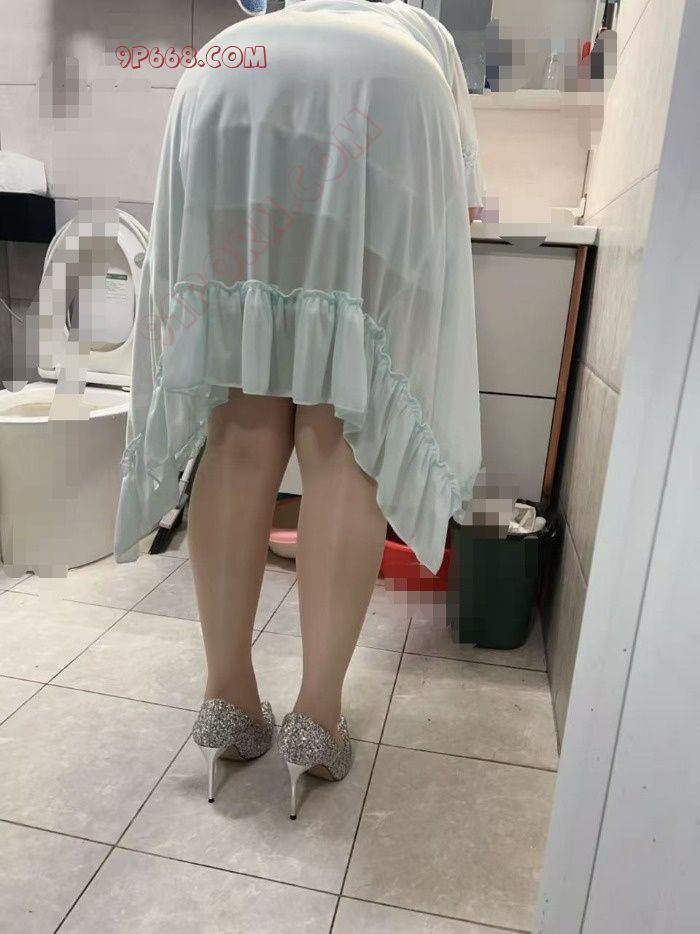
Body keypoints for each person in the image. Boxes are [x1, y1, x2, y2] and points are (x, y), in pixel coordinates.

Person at [114, 0, 485, 818]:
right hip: (388, 93)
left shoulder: (268, 18)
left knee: (239, 429)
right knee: (342, 436)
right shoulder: (423, 35)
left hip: (227, 77)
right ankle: (317, 717)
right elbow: (459, 205)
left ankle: (227, 700)